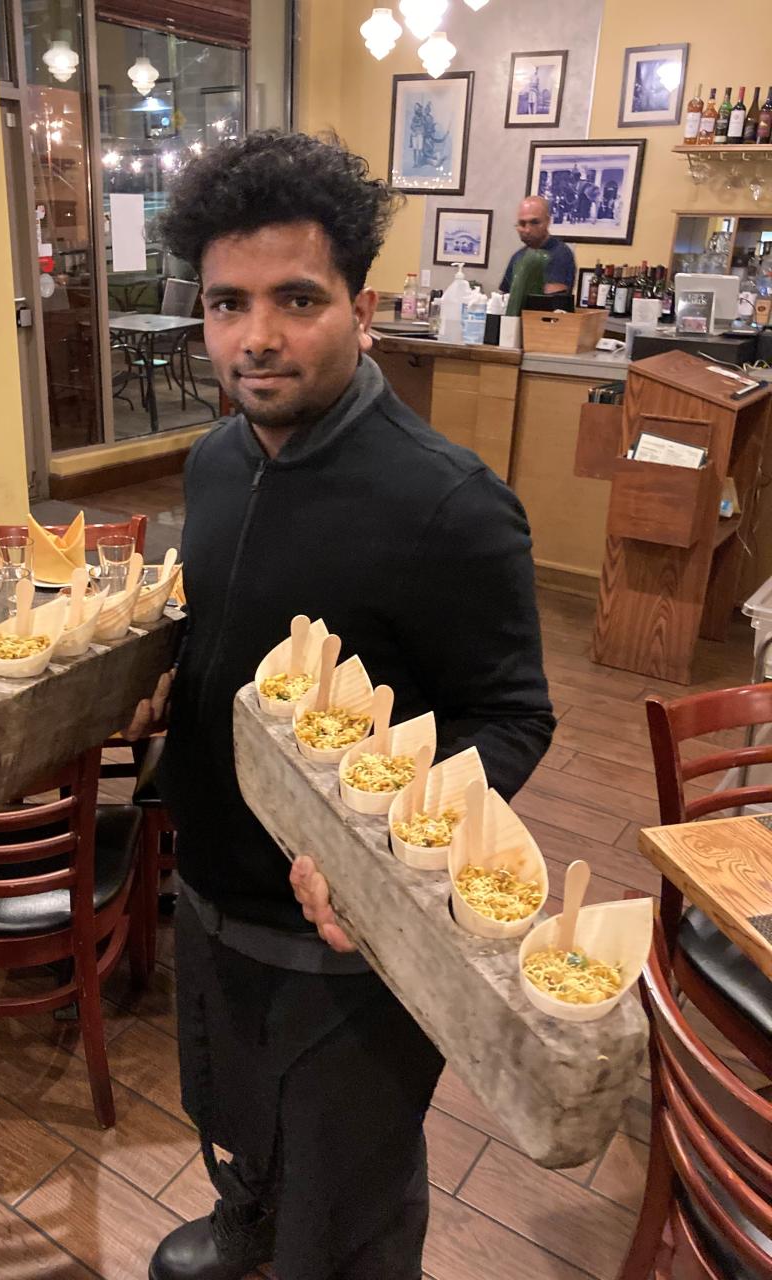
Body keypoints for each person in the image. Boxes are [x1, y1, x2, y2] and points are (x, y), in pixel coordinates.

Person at [139, 130, 555, 1280]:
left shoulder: (451, 504)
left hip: (349, 943)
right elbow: (227, 625)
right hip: (210, 886)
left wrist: (383, 847)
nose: (255, 336)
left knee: (353, 1192)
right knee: (229, 1110)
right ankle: (248, 1222)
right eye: (228, 302)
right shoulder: (216, 460)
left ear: (361, 306)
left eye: (296, 298)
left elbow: (514, 714)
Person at [499, 194, 576, 294]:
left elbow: (549, 302)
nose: (527, 230)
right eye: (522, 224)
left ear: (547, 221)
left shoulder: (560, 254)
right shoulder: (518, 256)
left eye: (534, 222)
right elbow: (505, 297)